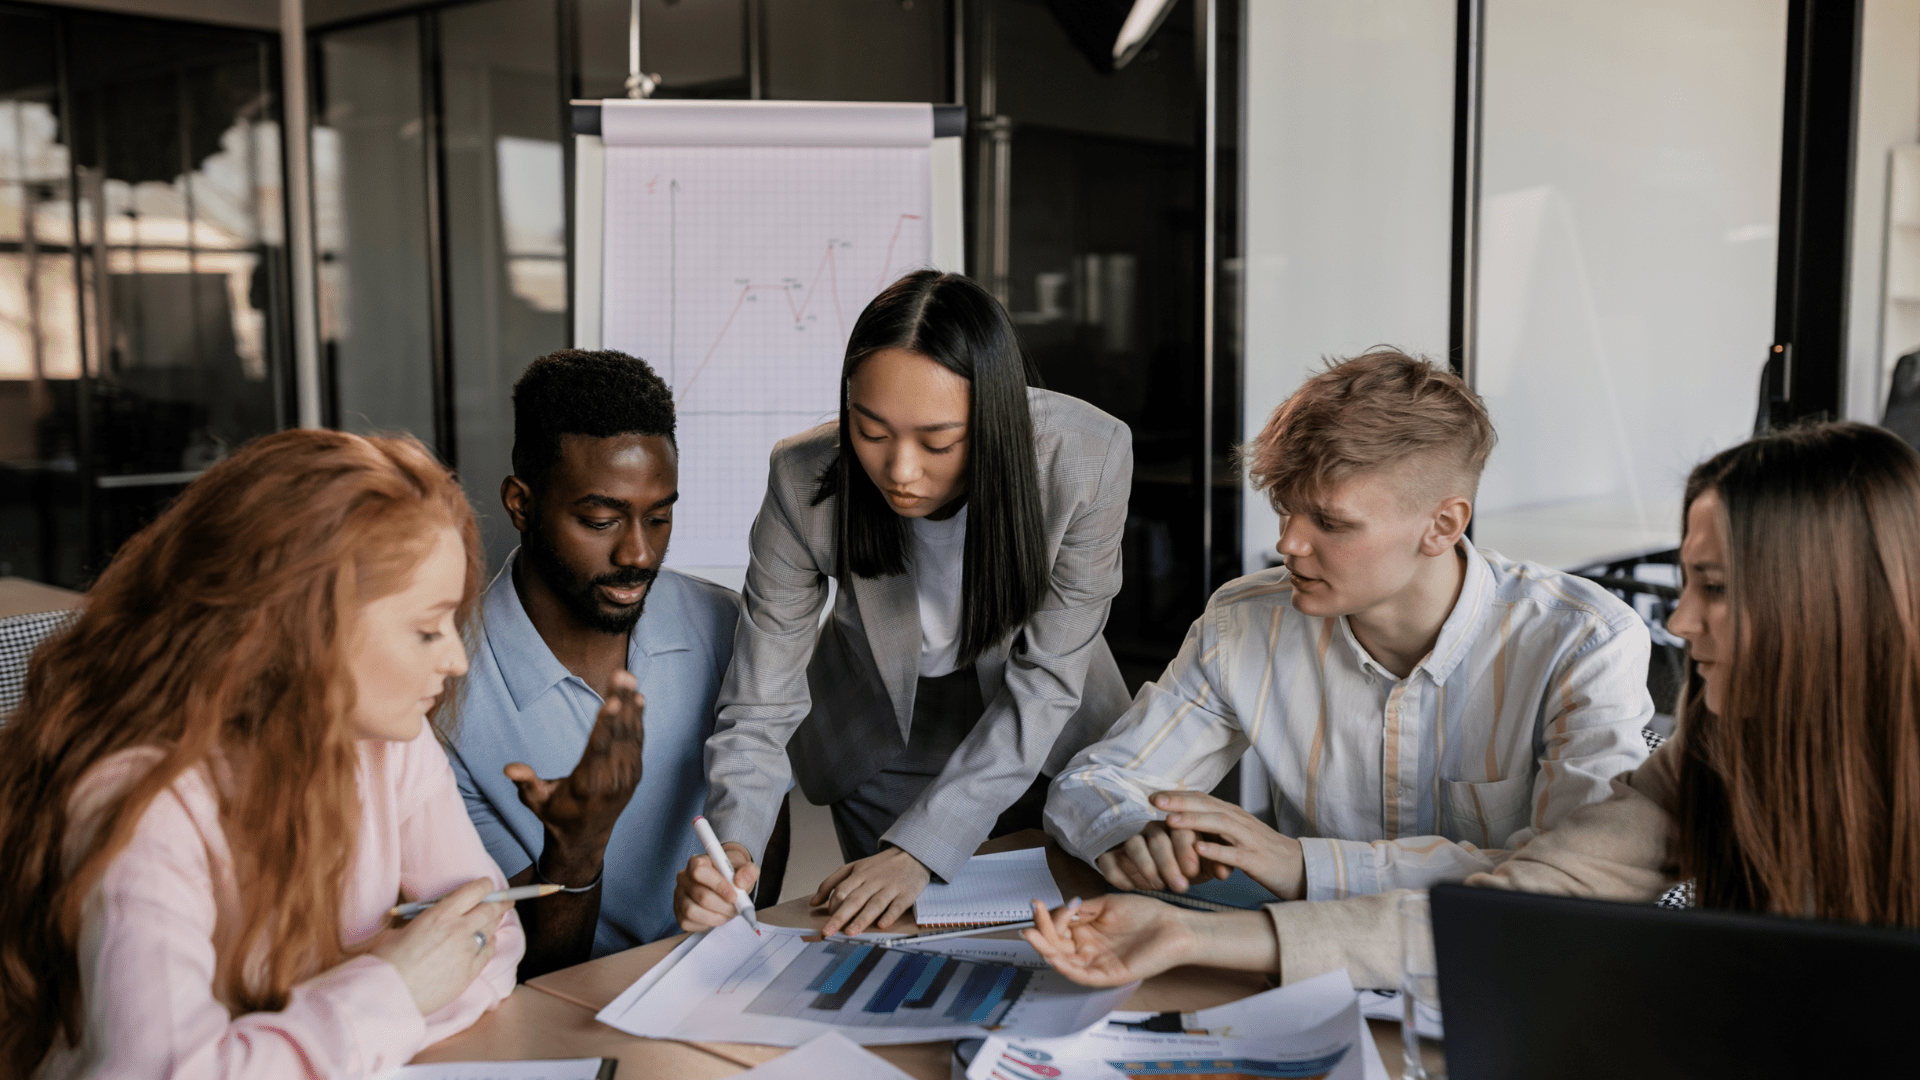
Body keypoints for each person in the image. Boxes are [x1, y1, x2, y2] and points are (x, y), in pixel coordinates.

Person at [1023, 420, 1920, 989]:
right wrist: (1186, 936)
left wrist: (1300, 864)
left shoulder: (1584, 639)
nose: (1682, 622)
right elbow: (1525, 909)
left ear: (1826, 599)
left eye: (1716, 588)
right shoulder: (1713, 753)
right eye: (1689, 582)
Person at [0, 430, 524, 1078]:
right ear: (297, 627)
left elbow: (491, 936)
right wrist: (395, 988)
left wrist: (290, 1043)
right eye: (425, 629)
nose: (456, 658)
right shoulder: (141, 802)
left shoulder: (390, 745)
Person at [1045, 350, 1652, 902]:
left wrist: (1304, 865)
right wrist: (1130, 829)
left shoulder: (1583, 641)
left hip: (1506, 975)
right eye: (1284, 509)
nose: (1288, 543)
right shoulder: (1245, 623)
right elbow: (1096, 780)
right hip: (1302, 969)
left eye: (1330, 524)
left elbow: (1578, 881)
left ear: (1442, 525)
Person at [674, 270, 1135, 938]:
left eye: (938, 441)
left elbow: (1045, 685)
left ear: (994, 421)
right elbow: (759, 700)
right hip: (878, 734)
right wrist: (733, 846)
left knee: (1057, 938)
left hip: (1042, 730)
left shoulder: (1086, 458)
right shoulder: (803, 477)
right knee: (901, 942)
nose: (901, 470)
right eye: (871, 431)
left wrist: (925, 846)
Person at [445, 350, 741, 974]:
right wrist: (576, 851)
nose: (638, 553)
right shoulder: (444, 687)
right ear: (521, 505)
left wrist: (729, 890)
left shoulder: (725, 625)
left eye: (659, 517)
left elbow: (760, 817)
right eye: (601, 520)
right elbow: (526, 964)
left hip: (712, 979)